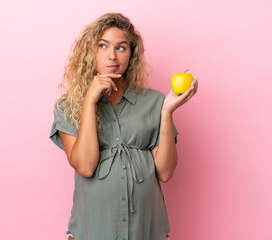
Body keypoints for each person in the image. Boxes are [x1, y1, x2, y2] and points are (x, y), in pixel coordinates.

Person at [49, 12, 198, 240]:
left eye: (121, 48)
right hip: (92, 231)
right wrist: (89, 101)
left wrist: (166, 112)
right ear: (91, 52)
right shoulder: (67, 107)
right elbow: (85, 166)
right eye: (103, 46)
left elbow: (165, 172)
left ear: (131, 54)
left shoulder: (155, 102)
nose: (112, 56)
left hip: (146, 232)